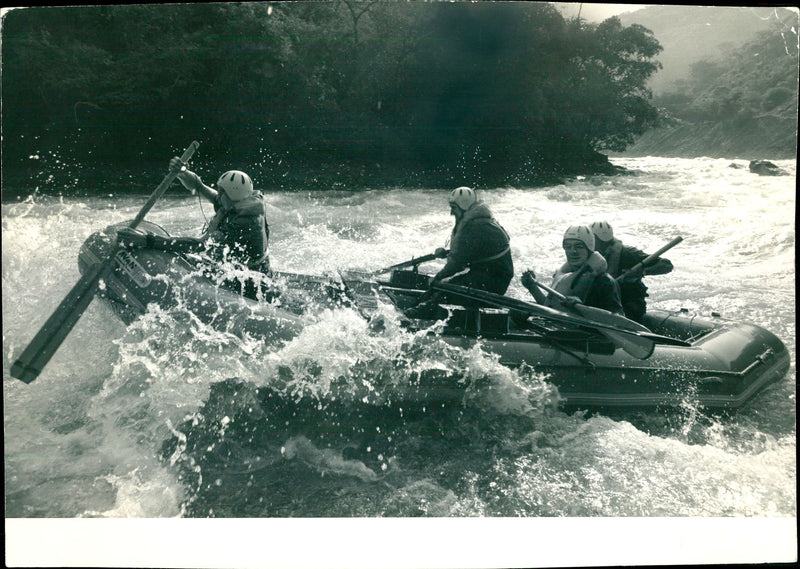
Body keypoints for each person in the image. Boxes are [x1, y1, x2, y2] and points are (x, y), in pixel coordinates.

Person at [117, 157, 273, 299]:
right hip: (234, 268)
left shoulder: (245, 222)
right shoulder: (235, 202)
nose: (218, 195)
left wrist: (148, 240)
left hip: (251, 283)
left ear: (231, 195)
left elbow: (199, 245)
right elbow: (200, 187)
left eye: (221, 192)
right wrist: (182, 172)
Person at [405, 186, 513, 318]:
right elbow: (476, 251)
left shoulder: (474, 226)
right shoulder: (484, 220)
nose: (451, 212)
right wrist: (448, 253)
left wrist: (437, 278)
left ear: (463, 207)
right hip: (492, 276)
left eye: (454, 208)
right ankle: (420, 305)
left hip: (492, 281)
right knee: (445, 285)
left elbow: (456, 264)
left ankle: (420, 310)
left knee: (445, 287)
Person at [521, 225, 623, 314]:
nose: (572, 251)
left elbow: (618, 320)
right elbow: (550, 307)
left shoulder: (604, 281)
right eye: (568, 246)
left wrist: (582, 308)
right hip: (560, 329)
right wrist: (532, 287)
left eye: (579, 246)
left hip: (587, 334)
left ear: (589, 248)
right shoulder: (564, 275)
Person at [590, 221, 673, 323]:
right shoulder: (587, 254)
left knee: (629, 312)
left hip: (629, 301)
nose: (600, 246)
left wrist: (643, 271)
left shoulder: (628, 253)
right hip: (604, 300)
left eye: (603, 242)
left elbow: (666, 265)